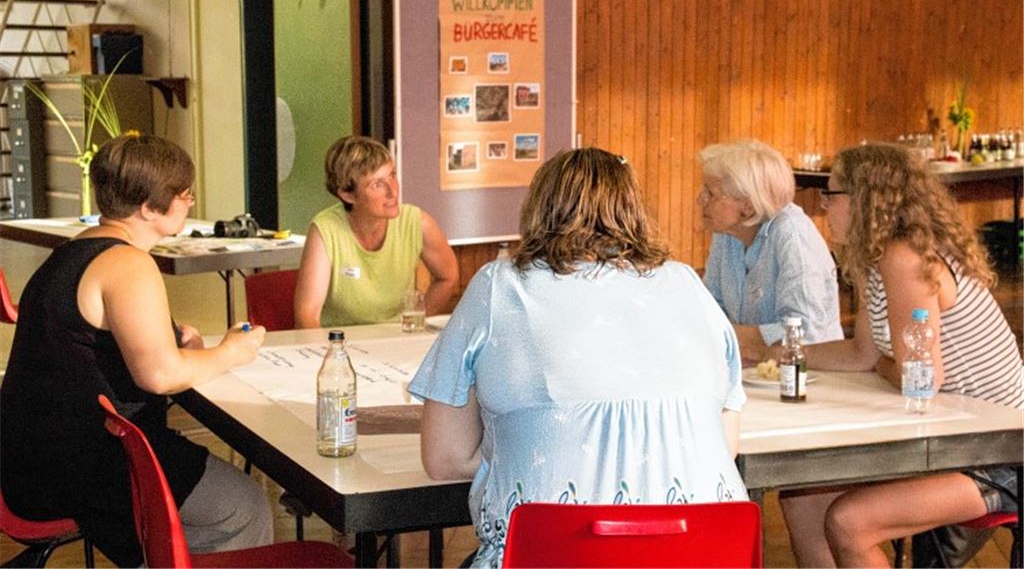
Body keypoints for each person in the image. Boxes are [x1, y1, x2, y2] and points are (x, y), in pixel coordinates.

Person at [408, 148, 749, 567]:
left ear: (537, 208)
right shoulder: (687, 285)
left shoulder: (501, 285)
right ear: (634, 211)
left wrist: (540, 443)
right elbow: (724, 442)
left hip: (554, 556)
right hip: (700, 557)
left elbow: (444, 460)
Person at [0, 134, 273, 567]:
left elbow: (102, 349)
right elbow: (158, 376)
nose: (190, 200)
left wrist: (180, 348)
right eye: (183, 193)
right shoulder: (129, 263)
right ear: (149, 207)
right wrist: (231, 352)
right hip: (84, 463)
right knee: (242, 506)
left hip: (30, 457)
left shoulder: (73, 251)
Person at [779, 143, 1022, 567]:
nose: (823, 207)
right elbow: (861, 355)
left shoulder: (904, 257)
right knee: (803, 501)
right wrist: (781, 352)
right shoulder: (879, 257)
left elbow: (922, 381)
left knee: (850, 521)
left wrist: (888, 365)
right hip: (956, 439)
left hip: (1000, 450)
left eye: (831, 195)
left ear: (865, 200)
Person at [699, 140, 843, 361]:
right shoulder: (727, 234)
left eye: (710, 193)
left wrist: (729, 334)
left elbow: (806, 332)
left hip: (810, 378)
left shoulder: (792, 235)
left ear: (747, 206)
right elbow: (710, 309)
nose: (699, 200)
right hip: (755, 373)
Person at [294, 135, 458, 328]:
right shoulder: (325, 230)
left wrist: (415, 321)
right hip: (342, 344)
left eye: (392, 175)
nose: (393, 191)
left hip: (396, 342)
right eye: (377, 184)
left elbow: (448, 277)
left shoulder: (418, 222)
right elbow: (307, 315)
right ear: (347, 195)